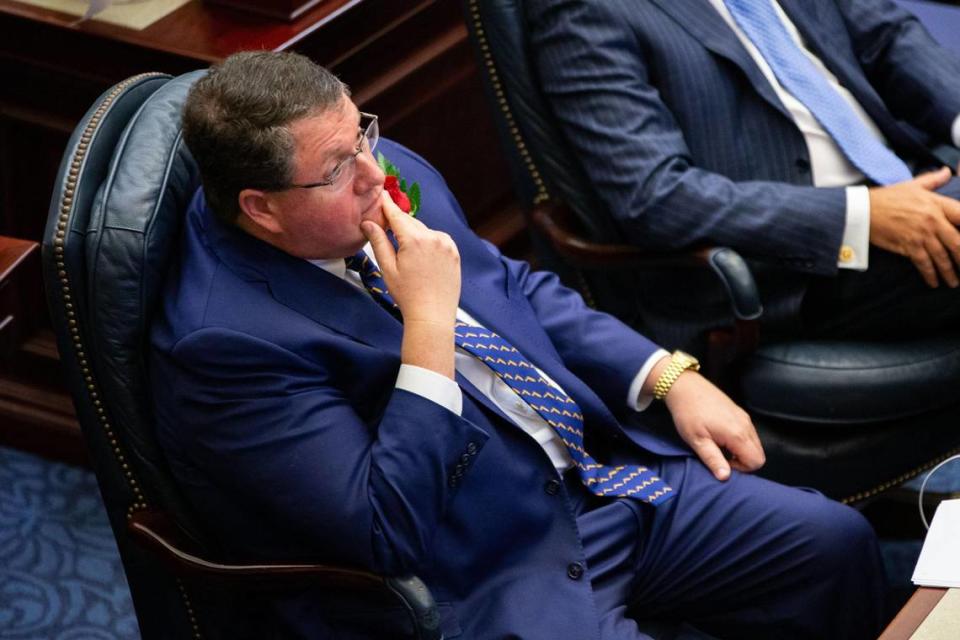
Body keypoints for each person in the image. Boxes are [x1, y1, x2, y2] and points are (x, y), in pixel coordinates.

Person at [150, 51, 885, 639]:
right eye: (339, 169)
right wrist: (429, 324)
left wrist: (665, 374)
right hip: (491, 565)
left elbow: (514, 288)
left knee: (834, 543)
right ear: (261, 209)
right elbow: (385, 528)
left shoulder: (371, 174)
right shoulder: (225, 343)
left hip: (601, 479)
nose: (376, 176)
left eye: (361, 135)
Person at [525, 0, 960, 347]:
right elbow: (655, 196)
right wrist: (861, 215)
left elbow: (888, 37)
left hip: (908, 184)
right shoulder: (585, 10)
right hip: (792, 264)